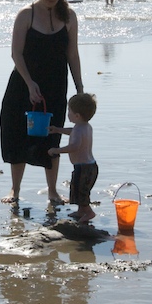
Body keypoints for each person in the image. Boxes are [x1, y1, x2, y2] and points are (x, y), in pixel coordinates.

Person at [0, 0, 83, 206]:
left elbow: (73, 55)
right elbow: (16, 54)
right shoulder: (26, 14)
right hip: (23, 83)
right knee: (16, 133)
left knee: (52, 137)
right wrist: (30, 84)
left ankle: (53, 191)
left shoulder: (69, 17)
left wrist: (79, 88)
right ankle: (15, 190)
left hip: (56, 84)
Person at [48, 93, 98, 222]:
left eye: (69, 111)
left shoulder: (79, 129)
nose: (67, 113)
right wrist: (58, 130)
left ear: (77, 116)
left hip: (83, 167)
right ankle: (81, 211)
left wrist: (57, 150)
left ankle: (88, 212)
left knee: (81, 191)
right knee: (77, 189)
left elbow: (74, 146)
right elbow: (72, 131)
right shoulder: (85, 126)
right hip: (91, 165)